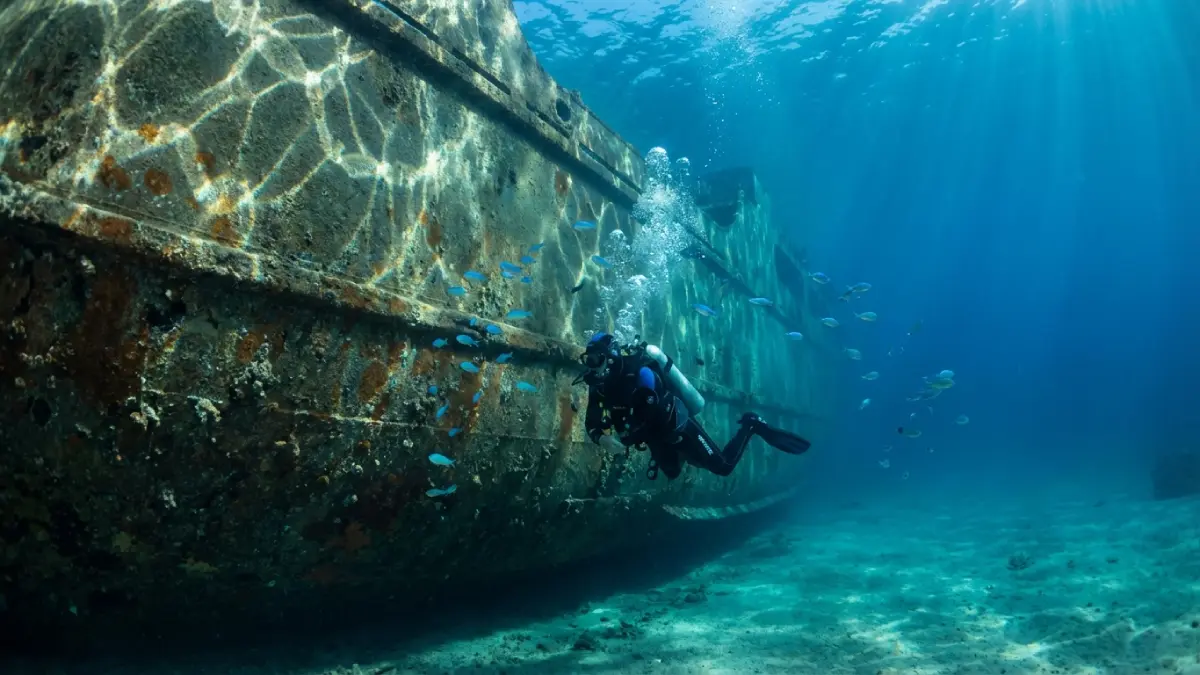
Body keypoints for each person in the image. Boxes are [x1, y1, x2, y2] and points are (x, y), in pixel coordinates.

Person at [575, 332, 811, 480]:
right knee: (673, 473)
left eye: (596, 360)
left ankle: (751, 426)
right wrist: (602, 439)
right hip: (654, 437)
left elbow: (651, 414)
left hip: (678, 426)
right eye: (589, 360)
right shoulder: (600, 385)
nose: (592, 367)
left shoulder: (642, 374)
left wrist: (627, 437)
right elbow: (592, 423)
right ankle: (694, 457)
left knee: (723, 467)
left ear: (612, 357)